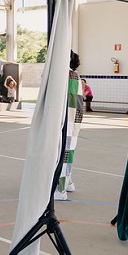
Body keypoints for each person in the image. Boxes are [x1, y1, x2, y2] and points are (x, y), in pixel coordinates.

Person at [55, 51, 84, 201]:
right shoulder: (74, 75)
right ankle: (68, 181)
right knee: (69, 150)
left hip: (69, 119)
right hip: (73, 119)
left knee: (64, 152)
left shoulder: (68, 75)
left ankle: (61, 188)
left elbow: (70, 101)